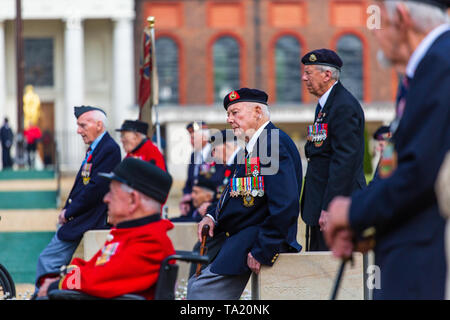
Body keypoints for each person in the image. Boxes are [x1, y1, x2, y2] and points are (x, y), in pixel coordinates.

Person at [324, 0, 450, 299]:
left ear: (402, 18)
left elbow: (420, 171)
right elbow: (395, 164)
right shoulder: (425, 69)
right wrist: (364, 219)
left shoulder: (439, 63)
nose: (373, 34)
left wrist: (351, 210)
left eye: (376, 21)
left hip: (425, 262)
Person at [187, 88, 303, 300]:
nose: (229, 119)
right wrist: (212, 216)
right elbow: (234, 192)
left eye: (235, 112)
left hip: (254, 239)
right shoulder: (255, 145)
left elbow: (285, 204)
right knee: (194, 284)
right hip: (235, 237)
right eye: (228, 114)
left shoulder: (272, 143)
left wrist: (264, 248)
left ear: (258, 112)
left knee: (201, 292)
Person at [36, 158, 175, 300]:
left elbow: (98, 279)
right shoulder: (131, 234)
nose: (106, 199)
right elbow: (93, 269)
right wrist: (61, 278)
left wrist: (58, 284)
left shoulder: (151, 242)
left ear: (133, 200)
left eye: (112, 192)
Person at [35, 106, 121, 291]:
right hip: (83, 216)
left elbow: (96, 188)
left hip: (89, 217)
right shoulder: (96, 148)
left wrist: (69, 212)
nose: (78, 131)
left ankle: (43, 294)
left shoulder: (108, 149)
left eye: (83, 125)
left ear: (99, 125)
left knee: (48, 261)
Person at [300, 48, 366, 251]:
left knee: (335, 272)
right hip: (320, 204)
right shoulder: (325, 105)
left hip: (334, 207)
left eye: (308, 73)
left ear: (327, 75)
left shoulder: (343, 106)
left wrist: (329, 207)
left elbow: (345, 160)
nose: (304, 78)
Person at [178, 121, 212, 219]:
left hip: (208, 206)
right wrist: (186, 198)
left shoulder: (215, 154)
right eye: (191, 138)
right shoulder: (194, 156)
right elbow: (189, 181)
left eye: (194, 138)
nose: (191, 141)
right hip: (193, 206)